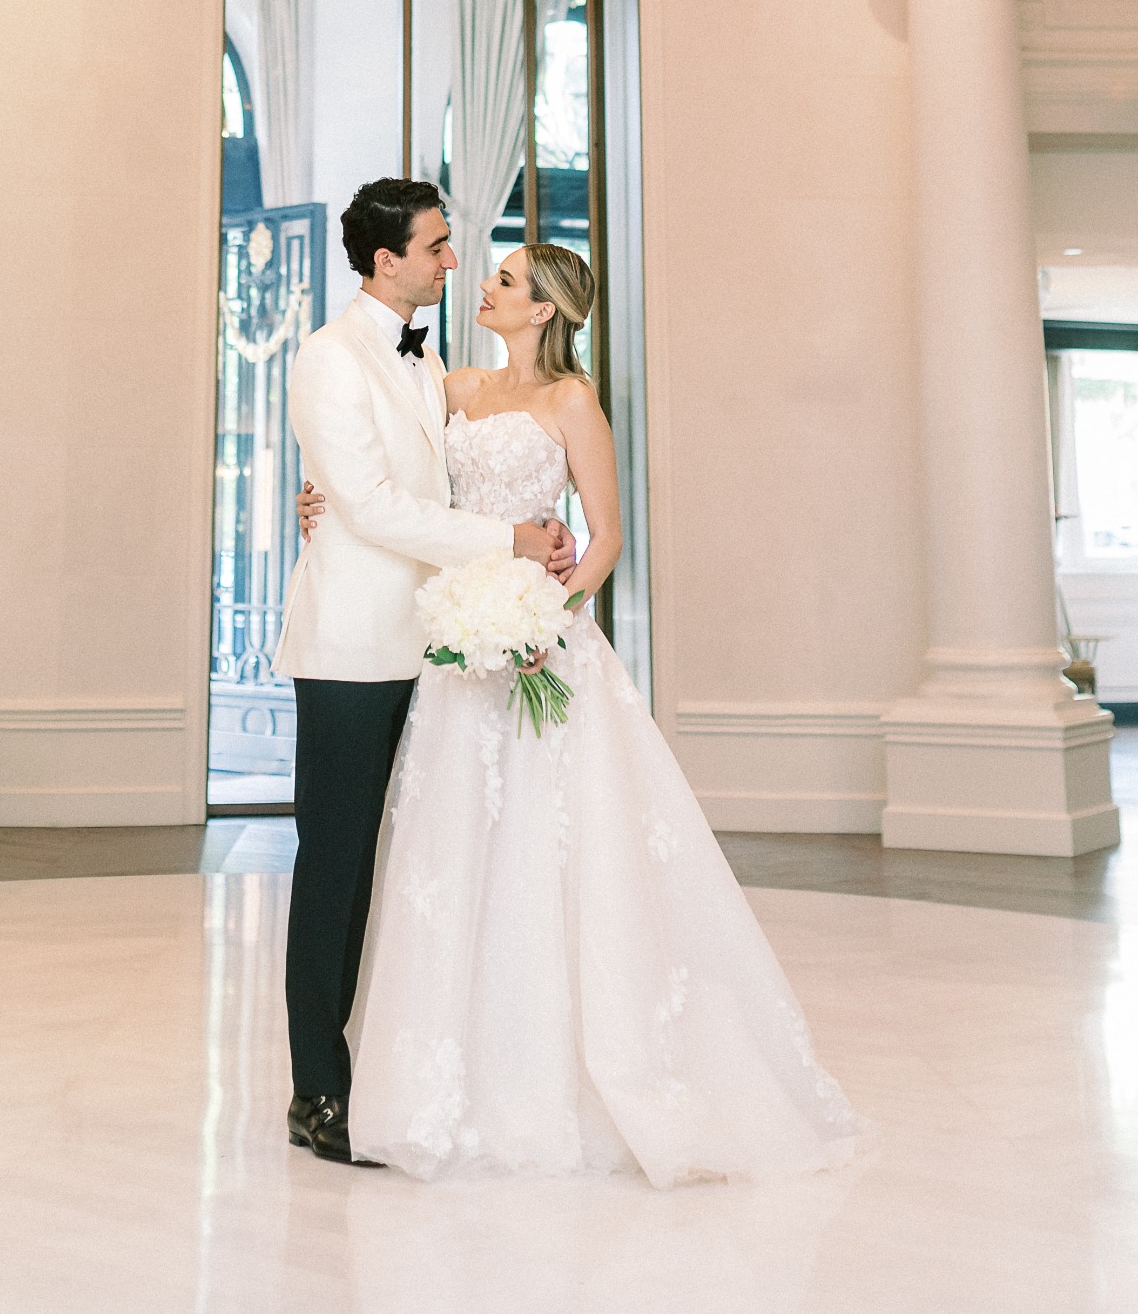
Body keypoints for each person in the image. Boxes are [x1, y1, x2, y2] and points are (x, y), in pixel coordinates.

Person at [296, 241, 863, 1187]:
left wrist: (542, 620)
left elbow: (605, 534)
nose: (483, 283)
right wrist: (322, 500)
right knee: (450, 858)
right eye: (477, 267)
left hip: (535, 647)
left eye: (507, 281)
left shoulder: (573, 403)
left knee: (553, 856)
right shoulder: (452, 384)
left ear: (546, 309)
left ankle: (571, 1067)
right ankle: (447, 1077)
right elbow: (383, 477)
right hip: (452, 655)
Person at [272, 179, 575, 1169]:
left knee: (428, 868)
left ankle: (421, 1075)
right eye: (439, 247)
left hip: (444, 649)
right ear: (386, 259)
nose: (454, 261)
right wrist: (512, 538)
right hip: (358, 652)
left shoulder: (423, 351)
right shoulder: (328, 356)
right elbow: (371, 505)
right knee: (339, 869)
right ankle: (318, 1088)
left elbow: (423, 478)